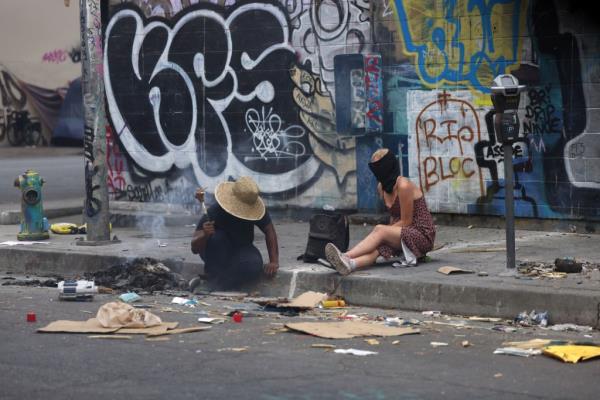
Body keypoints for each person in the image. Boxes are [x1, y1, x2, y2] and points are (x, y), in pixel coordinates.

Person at [325, 148, 436, 275]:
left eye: (380, 167)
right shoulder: (381, 187)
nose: (378, 172)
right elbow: (394, 217)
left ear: (388, 166)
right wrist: (384, 235)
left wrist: (384, 233)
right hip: (402, 232)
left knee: (380, 230)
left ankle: (345, 256)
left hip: (421, 234)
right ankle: (350, 264)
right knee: (378, 247)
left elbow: (407, 221)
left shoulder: (403, 185)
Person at [190, 176, 279, 290]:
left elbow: (269, 230)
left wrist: (274, 261)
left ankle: (216, 283)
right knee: (217, 238)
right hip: (217, 252)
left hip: (241, 249)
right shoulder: (216, 210)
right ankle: (213, 279)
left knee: (254, 264)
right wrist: (205, 235)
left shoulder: (253, 206)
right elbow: (194, 248)